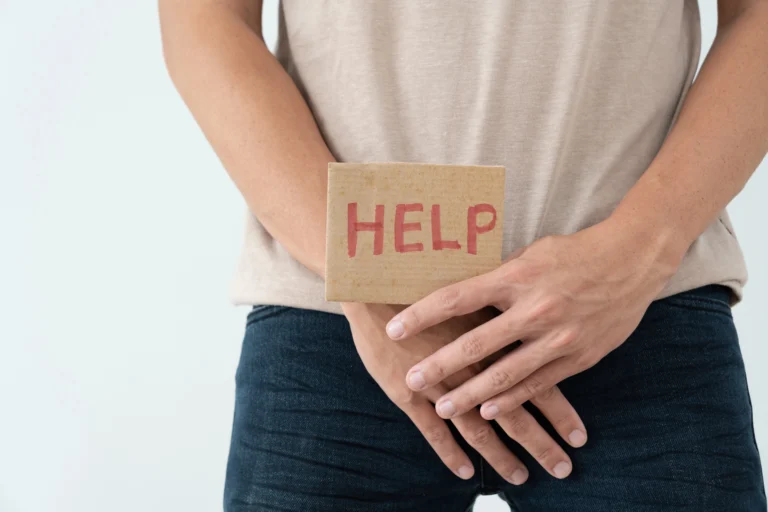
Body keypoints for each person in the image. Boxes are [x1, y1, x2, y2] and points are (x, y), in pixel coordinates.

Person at [159, 0, 768, 510]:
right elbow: (204, 21)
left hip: (628, 311)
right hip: (343, 324)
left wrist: (638, 252)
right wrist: (364, 278)